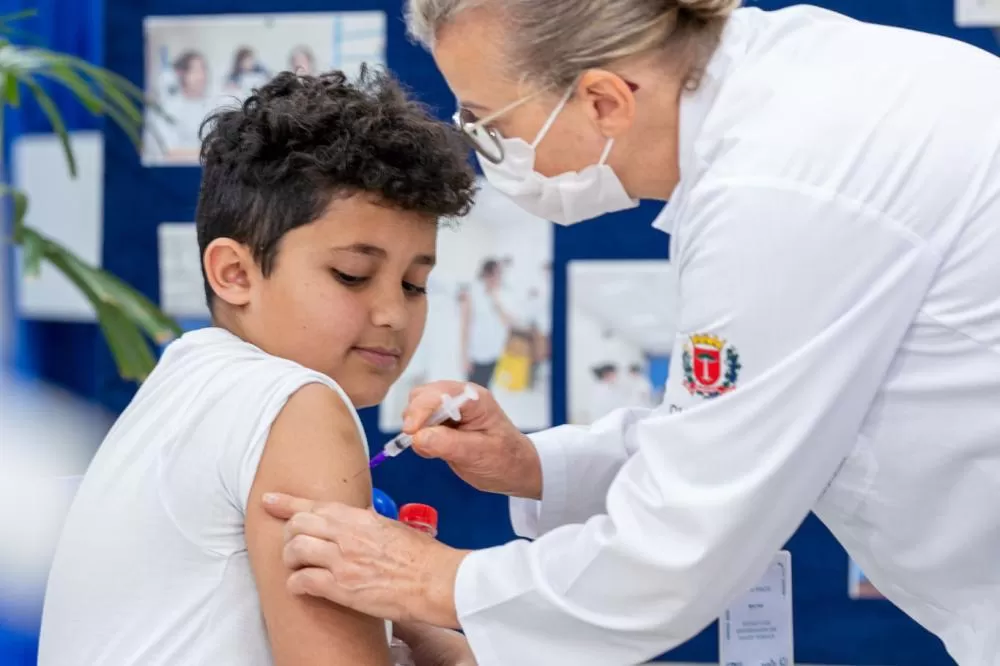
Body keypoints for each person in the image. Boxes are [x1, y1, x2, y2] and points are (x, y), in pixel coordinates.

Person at [261, 1, 1000, 664]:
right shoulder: (801, 90)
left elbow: (685, 540)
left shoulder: (781, 190)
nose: (493, 158)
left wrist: (435, 578)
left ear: (604, 101)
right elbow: (730, 431)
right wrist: (531, 466)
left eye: (491, 127)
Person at [39, 68, 477, 665]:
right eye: (352, 274)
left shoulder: (186, 376)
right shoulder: (298, 402)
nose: (392, 313)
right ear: (235, 273)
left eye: (414, 284)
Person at [460, 259, 513, 387]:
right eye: (495, 274)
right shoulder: (472, 294)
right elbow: (464, 327)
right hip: (476, 354)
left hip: (494, 353)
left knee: (486, 390)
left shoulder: (502, 294)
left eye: (499, 274)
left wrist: (495, 300)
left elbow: (507, 322)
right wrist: (464, 356)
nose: (498, 278)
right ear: (486, 275)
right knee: (472, 393)